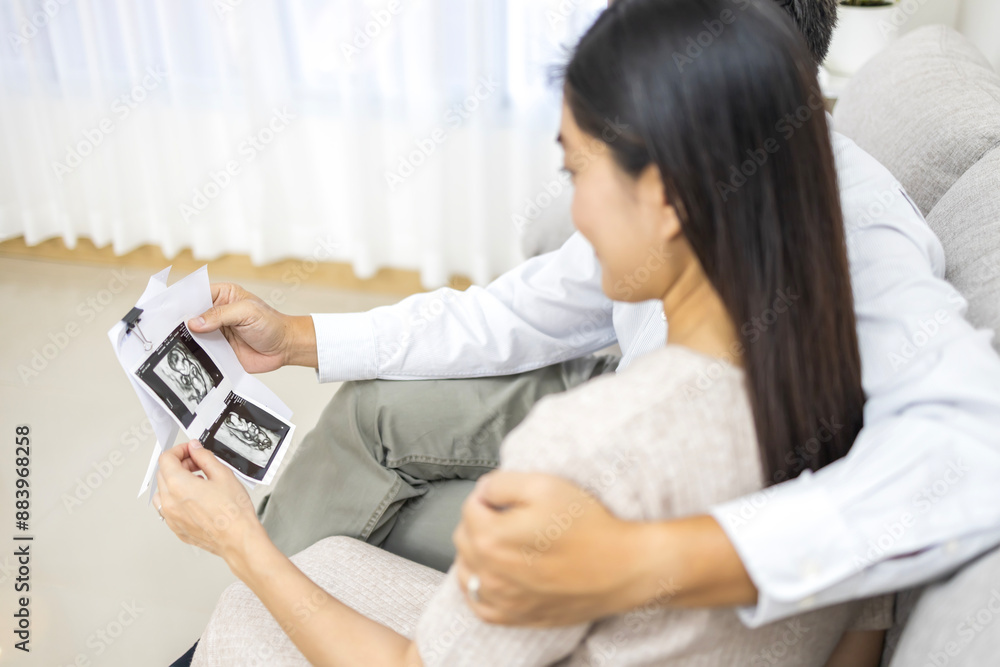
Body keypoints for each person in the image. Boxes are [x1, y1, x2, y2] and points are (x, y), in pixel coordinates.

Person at [188, 0, 1000, 639]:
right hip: (623, 396)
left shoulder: (862, 234)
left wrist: (640, 557)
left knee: (352, 550)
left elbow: (975, 448)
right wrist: (297, 335)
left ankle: (263, 614)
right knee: (372, 410)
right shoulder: (686, 193)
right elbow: (528, 305)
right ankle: (268, 607)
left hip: (644, 460)